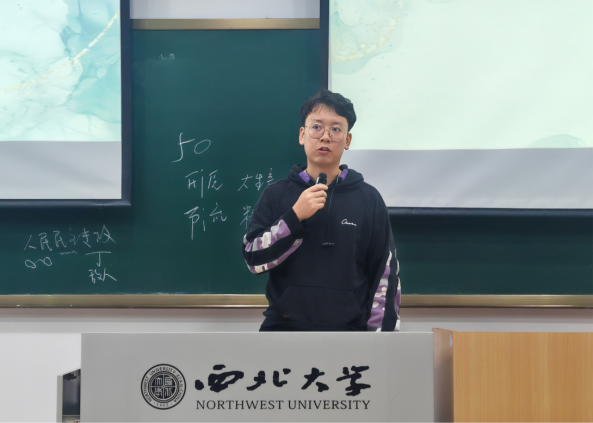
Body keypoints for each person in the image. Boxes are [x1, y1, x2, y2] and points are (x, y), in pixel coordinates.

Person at [242, 90, 400, 332]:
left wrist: (382, 340)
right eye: (317, 127)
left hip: (349, 333)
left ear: (347, 140)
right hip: (283, 330)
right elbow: (254, 260)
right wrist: (294, 218)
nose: (325, 137)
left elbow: (384, 274)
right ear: (302, 135)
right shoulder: (276, 194)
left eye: (336, 129)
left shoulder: (369, 199)